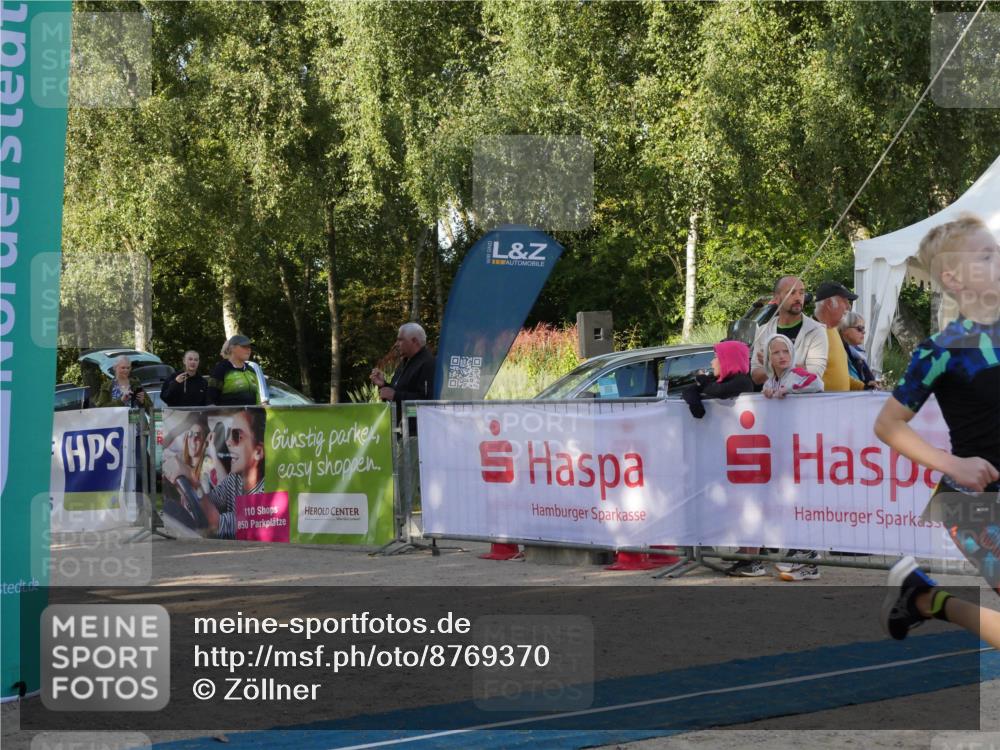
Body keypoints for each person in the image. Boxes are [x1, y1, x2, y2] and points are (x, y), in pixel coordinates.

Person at [874, 213, 1000, 650]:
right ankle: (923, 599)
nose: (999, 260)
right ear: (953, 278)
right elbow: (887, 424)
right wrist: (953, 465)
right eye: (987, 256)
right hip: (973, 505)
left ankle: (922, 599)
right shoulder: (941, 351)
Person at [162, 408, 265, 540]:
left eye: (237, 436)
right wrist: (185, 488)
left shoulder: (265, 495)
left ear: (258, 452)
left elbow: (217, 524)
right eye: (228, 435)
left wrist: (193, 480)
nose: (228, 442)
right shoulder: (235, 479)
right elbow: (211, 500)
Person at [751, 275, 828, 386]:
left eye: (801, 293)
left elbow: (815, 373)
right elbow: (756, 376)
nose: (798, 298)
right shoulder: (764, 330)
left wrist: (773, 365)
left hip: (804, 397)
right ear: (776, 298)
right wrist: (787, 366)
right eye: (791, 293)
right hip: (772, 396)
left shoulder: (816, 330)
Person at [370, 322, 436, 412]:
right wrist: (383, 384)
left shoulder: (428, 363)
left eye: (400, 340)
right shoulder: (405, 361)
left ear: (414, 341)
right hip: (400, 420)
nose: (396, 344)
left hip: (416, 421)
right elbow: (399, 391)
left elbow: (427, 400)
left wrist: (395, 395)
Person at [813, 281, 865, 393]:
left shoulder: (833, 330)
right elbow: (804, 377)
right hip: (821, 403)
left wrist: (863, 387)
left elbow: (839, 375)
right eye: (844, 301)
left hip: (838, 402)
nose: (848, 307)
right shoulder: (811, 333)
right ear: (829, 304)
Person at [680, 340, 753, 419]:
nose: (711, 362)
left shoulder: (743, 381)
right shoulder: (721, 379)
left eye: (715, 357)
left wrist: (702, 378)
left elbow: (720, 391)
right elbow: (689, 390)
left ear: (728, 360)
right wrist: (695, 405)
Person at [761, 333, 824, 399]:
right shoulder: (769, 383)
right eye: (776, 352)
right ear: (768, 358)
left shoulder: (797, 373)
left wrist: (789, 389)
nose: (781, 356)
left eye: (786, 351)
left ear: (792, 354)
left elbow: (818, 383)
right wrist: (767, 393)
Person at [208, 334, 262, 406]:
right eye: (244, 346)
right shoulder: (220, 369)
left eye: (249, 347)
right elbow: (211, 400)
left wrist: (260, 411)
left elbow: (257, 397)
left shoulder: (251, 370)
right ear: (232, 348)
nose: (249, 349)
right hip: (227, 413)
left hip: (252, 413)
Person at [838, 312, 878, 389]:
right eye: (859, 328)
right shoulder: (841, 352)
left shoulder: (856, 353)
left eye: (864, 328)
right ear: (845, 329)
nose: (864, 332)